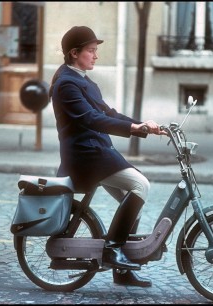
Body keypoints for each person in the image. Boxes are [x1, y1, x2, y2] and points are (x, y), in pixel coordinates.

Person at [49, 26, 165, 288]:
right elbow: (91, 119)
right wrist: (132, 129)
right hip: (86, 156)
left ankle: (121, 272)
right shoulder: (67, 84)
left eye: (95, 51)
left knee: (129, 200)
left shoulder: (84, 81)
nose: (95, 56)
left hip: (98, 152)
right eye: (91, 51)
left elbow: (108, 113)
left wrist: (143, 125)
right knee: (141, 186)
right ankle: (112, 249)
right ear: (74, 53)